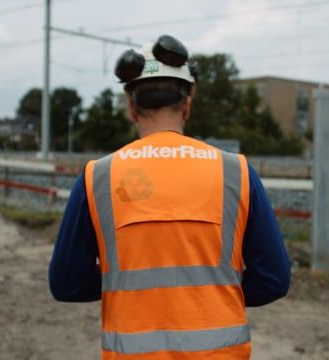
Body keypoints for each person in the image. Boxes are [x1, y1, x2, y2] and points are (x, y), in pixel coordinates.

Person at [48, 34, 291, 359]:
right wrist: (209, 294)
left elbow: (67, 284)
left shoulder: (98, 177)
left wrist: (132, 291)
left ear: (132, 107)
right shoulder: (237, 173)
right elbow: (273, 280)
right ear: (187, 104)